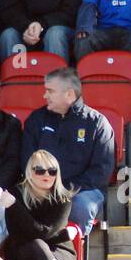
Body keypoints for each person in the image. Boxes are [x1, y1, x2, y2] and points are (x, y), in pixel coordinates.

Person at [20, 68, 114, 234]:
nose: (45, 96)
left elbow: (101, 171)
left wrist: (63, 189)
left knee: (80, 205)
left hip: (81, 191)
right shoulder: (36, 119)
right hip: (39, 187)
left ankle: (75, 255)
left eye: (50, 91)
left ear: (70, 94)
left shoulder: (97, 123)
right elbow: (26, 160)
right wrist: (44, 187)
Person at [1, 151, 82, 260]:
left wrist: (15, 208)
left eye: (52, 171)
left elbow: (46, 233)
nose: (47, 175)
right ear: (30, 172)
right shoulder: (16, 194)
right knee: (36, 246)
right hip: (23, 251)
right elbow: (17, 235)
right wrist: (62, 235)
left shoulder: (63, 198)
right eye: (40, 170)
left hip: (59, 252)